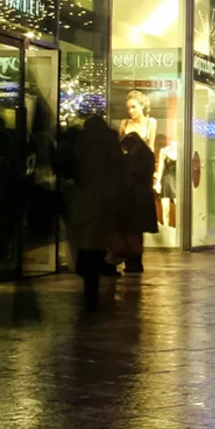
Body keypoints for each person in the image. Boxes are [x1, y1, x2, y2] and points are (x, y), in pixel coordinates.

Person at [67, 116, 127, 308]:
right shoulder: (110, 142)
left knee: (86, 238)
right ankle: (98, 269)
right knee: (98, 238)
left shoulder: (82, 143)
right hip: (105, 198)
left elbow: (72, 167)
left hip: (86, 196)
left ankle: (89, 278)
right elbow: (119, 169)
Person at [118, 132, 160, 273]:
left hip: (133, 198)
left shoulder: (134, 159)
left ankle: (133, 262)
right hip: (141, 197)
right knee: (136, 232)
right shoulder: (147, 156)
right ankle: (135, 261)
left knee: (132, 231)